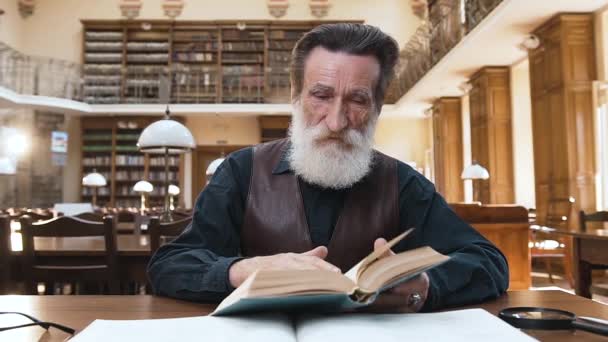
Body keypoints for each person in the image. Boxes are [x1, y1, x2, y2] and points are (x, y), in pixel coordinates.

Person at [148, 23, 508, 313]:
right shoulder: (242, 171)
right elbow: (170, 265)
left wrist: (427, 286)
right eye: (320, 95)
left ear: (377, 108)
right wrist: (241, 270)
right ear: (296, 97)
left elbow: (489, 262)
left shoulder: (402, 182)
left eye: (357, 100)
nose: (336, 122)